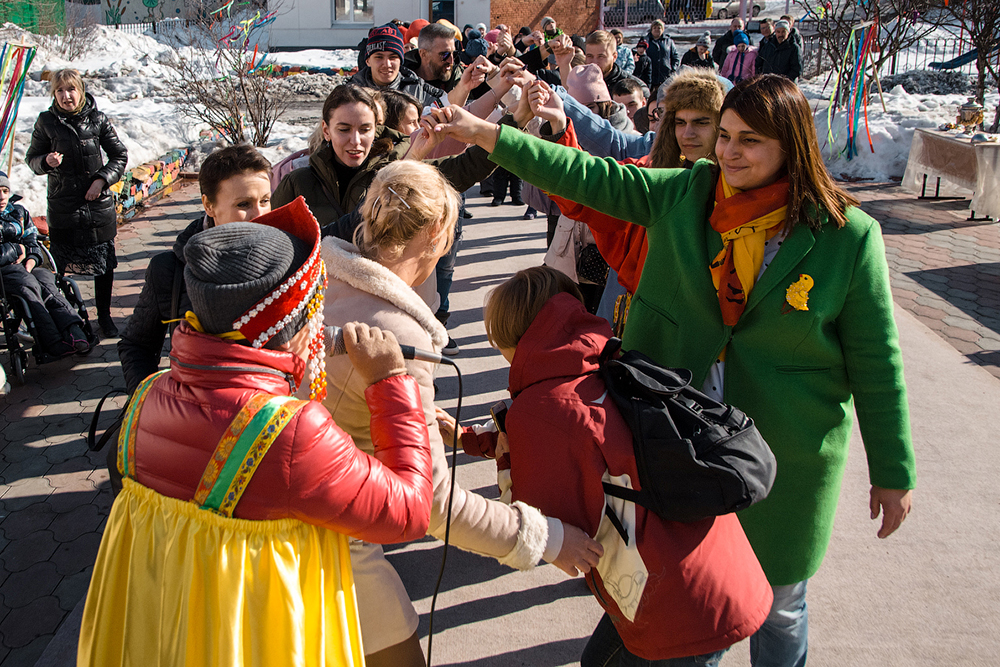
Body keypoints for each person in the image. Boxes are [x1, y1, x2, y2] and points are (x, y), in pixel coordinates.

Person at [426, 73, 917, 667]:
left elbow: (876, 361)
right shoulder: (689, 192)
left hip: (788, 453)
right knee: (690, 600)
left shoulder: (846, 237)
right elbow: (589, 177)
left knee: (782, 604)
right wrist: (486, 134)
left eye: (750, 141)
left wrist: (893, 471)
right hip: (674, 441)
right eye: (727, 136)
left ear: (791, 146)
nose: (730, 152)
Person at [77, 199, 436, 666]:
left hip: (165, 634)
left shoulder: (146, 397)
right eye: (314, 310)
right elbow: (409, 510)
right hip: (254, 640)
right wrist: (391, 385)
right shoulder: (287, 432)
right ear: (287, 328)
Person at [320, 160, 603, 667]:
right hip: (335, 539)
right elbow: (432, 502)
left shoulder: (325, 277)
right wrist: (548, 539)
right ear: (436, 235)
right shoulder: (399, 337)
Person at [439, 265, 773, 666]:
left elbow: (528, 518)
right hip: (710, 568)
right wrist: (470, 440)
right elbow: (583, 445)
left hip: (674, 604)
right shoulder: (604, 364)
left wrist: (504, 455)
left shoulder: (542, 406)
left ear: (515, 335)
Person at [118, 145, 273, 395]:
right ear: (209, 206)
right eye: (244, 204)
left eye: (265, 201)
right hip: (193, 420)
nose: (259, 215)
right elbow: (136, 345)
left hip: (266, 421)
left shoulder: (288, 261)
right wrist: (148, 399)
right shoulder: (170, 271)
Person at [272, 84, 495, 229]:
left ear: (376, 129)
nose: (356, 140)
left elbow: (465, 168)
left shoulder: (394, 169)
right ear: (326, 130)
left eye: (365, 129)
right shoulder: (298, 182)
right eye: (344, 129)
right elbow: (272, 244)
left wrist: (513, 124)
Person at [26, 68, 128, 338]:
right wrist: (45, 161)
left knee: (103, 265)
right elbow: (32, 159)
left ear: (80, 91)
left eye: (71, 89)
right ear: (53, 94)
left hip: (97, 206)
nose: (66, 95)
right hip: (63, 206)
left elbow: (119, 154)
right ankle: (69, 318)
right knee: (61, 266)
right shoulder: (46, 121)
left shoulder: (98, 119)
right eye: (60, 90)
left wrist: (102, 180)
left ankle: (104, 316)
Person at [0, 171, 89, 358]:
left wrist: (32, 257)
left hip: (26, 266)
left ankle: (75, 333)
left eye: (5, 191)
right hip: (4, 271)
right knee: (28, 286)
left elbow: (31, 239)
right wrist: (17, 250)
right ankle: (52, 342)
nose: (2, 197)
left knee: (47, 280)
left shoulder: (18, 212)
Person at [349, 24, 449, 108]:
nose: (387, 64)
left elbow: (450, 105)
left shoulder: (418, 91)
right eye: (379, 57)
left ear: (401, 61)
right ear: (368, 61)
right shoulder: (350, 92)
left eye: (392, 57)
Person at [645, 19, 679, 91]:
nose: (657, 30)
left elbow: (675, 57)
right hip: (650, 75)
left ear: (663, 29)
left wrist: (673, 69)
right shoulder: (646, 40)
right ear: (651, 29)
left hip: (665, 75)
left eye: (659, 28)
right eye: (654, 28)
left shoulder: (669, 41)